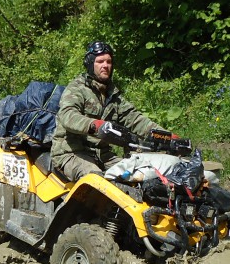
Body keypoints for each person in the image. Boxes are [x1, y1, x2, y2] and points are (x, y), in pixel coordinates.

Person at [50, 41, 168, 181]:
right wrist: (95, 125)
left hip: (103, 155)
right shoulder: (77, 88)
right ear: (90, 64)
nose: (105, 65)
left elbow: (136, 120)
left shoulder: (112, 94)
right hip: (72, 153)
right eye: (100, 61)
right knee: (96, 180)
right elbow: (68, 116)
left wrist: (167, 137)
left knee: (138, 173)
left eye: (109, 62)